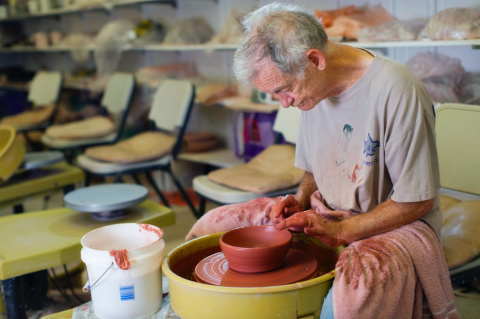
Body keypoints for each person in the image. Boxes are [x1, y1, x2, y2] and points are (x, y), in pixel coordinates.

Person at [233, 3, 457, 319]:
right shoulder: (312, 91)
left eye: (284, 90)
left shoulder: (396, 90)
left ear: (314, 60)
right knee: (230, 222)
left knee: (347, 298)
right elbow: (313, 167)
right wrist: (299, 201)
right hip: (330, 211)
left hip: (398, 224)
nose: (285, 104)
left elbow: (417, 202)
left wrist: (341, 232)